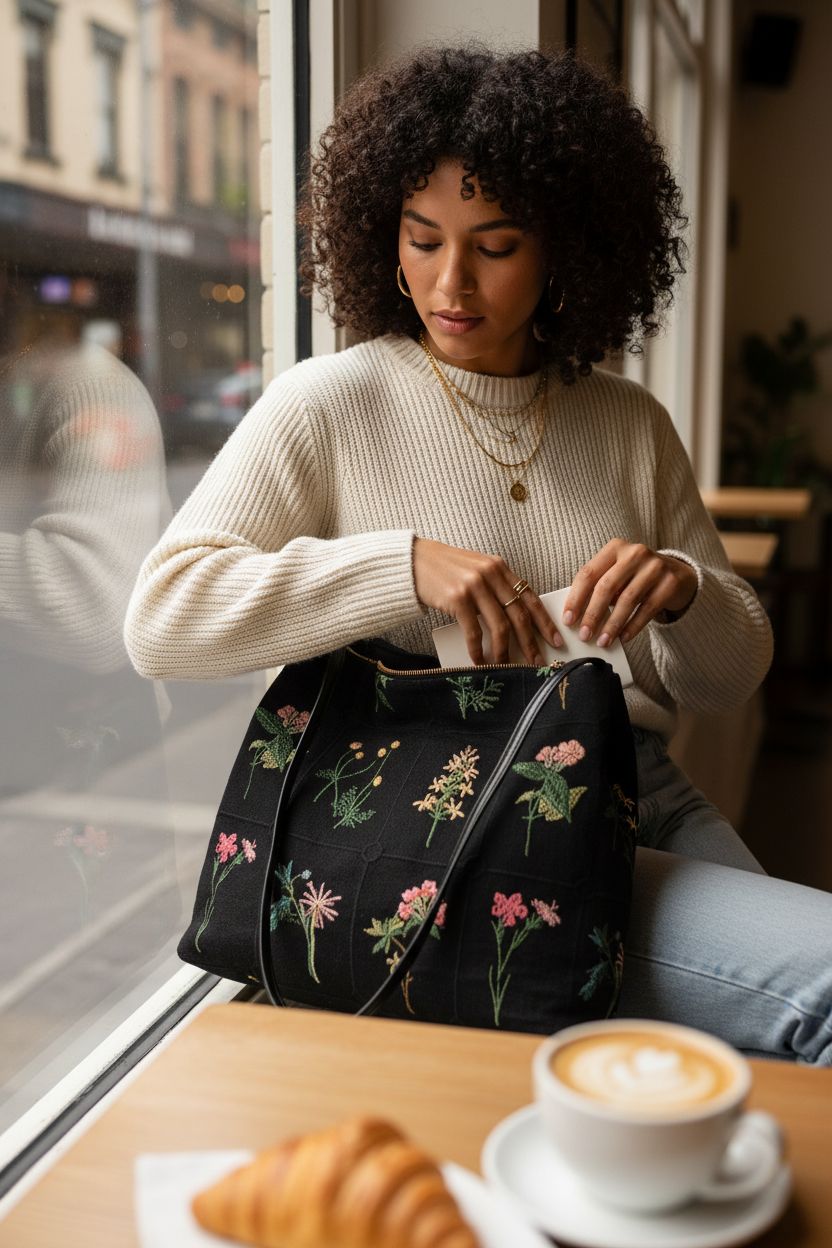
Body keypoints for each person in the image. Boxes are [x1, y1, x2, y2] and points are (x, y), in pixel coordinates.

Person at [124, 44, 832, 1063]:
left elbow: (727, 680)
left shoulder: (627, 421)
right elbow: (160, 618)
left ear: (567, 251)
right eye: (421, 239)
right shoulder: (332, 401)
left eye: (494, 246)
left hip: (631, 780)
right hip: (441, 812)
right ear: (386, 237)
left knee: (752, 1071)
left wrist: (682, 592)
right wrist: (396, 567)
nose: (448, 282)